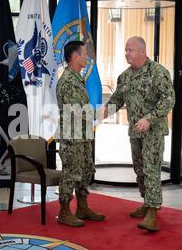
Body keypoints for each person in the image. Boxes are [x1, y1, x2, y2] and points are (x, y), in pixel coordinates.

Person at [103, 36, 175, 232]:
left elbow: (169, 100)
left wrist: (149, 118)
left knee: (152, 169)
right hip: (135, 133)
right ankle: (146, 202)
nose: (127, 53)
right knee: (140, 170)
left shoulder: (158, 72)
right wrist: (102, 112)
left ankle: (152, 211)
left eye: (130, 50)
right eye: (126, 50)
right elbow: (117, 100)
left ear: (142, 52)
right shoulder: (125, 76)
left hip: (153, 131)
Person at [56, 40, 105, 227]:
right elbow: (77, 111)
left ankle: (82, 208)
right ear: (75, 57)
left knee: (85, 171)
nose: (87, 57)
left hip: (83, 135)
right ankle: (64, 212)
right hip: (72, 137)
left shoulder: (77, 78)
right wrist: (100, 113)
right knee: (71, 173)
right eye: (84, 54)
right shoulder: (68, 81)